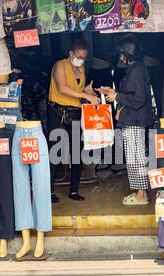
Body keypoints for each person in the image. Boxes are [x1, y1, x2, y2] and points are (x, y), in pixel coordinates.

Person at [48, 38, 99, 203]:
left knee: (77, 152)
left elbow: (76, 90)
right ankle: (49, 191)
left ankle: (74, 190)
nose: (81, 60)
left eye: (84, 57)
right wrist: (85, 95)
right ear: (71, 53)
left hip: (75, 112)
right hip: (58, 111)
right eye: (78, 56)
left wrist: (87, 90)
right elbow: (62, 88)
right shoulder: (60, 65)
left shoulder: (81, 69)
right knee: (55, 153)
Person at [102, 38, 152, 205]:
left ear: (127, 54)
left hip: (134, 120)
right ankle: (140, 193)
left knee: (136, 157)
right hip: (133, 119)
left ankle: (141, 196)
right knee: (135, 156)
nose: (120, 57)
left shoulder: (136, 71)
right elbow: (132, 93)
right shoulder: (136, 69)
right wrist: (114, 92)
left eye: (122, 53)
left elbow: (139, 99)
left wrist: (118, 96)